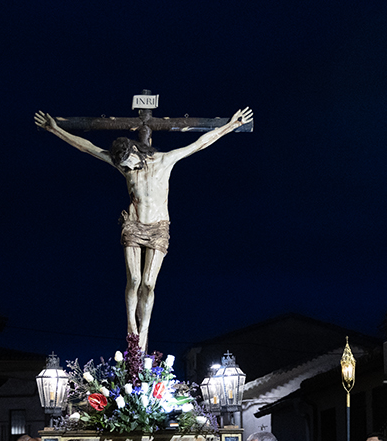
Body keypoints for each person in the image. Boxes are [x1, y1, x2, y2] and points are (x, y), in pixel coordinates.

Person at [33, 107, 252, 351]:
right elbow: (88, 147)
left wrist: (230, 126)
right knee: (134, 278)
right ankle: (131, 327)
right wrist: (55, 129)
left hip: (159, 227)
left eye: (129, 164)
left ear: (135, 151)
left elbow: (199, 143)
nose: (128, 169)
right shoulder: (124, 167)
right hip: (134, 224)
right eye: (123, 166)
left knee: (148, 282)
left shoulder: (164, 161)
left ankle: (144, 329)